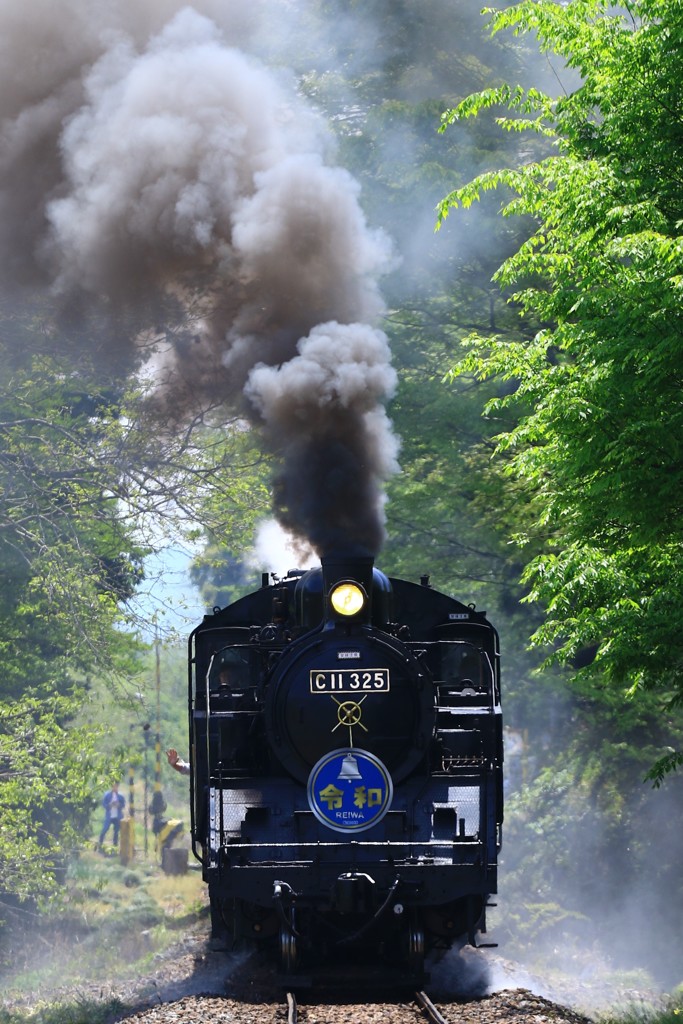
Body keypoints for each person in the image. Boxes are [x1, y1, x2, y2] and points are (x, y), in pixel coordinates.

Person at [98, 781, 126, 850]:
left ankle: (115, 846)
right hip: (109, 815)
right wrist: (110, 805)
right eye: (113, 786)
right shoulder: (107, 795)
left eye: (116, 786)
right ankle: (100, 844)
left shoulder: (120, 796)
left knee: (116, 831)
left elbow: (123, 805)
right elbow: (104, 804)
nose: (114, 788)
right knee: (105, 829)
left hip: (117, 815)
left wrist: (118, 805)